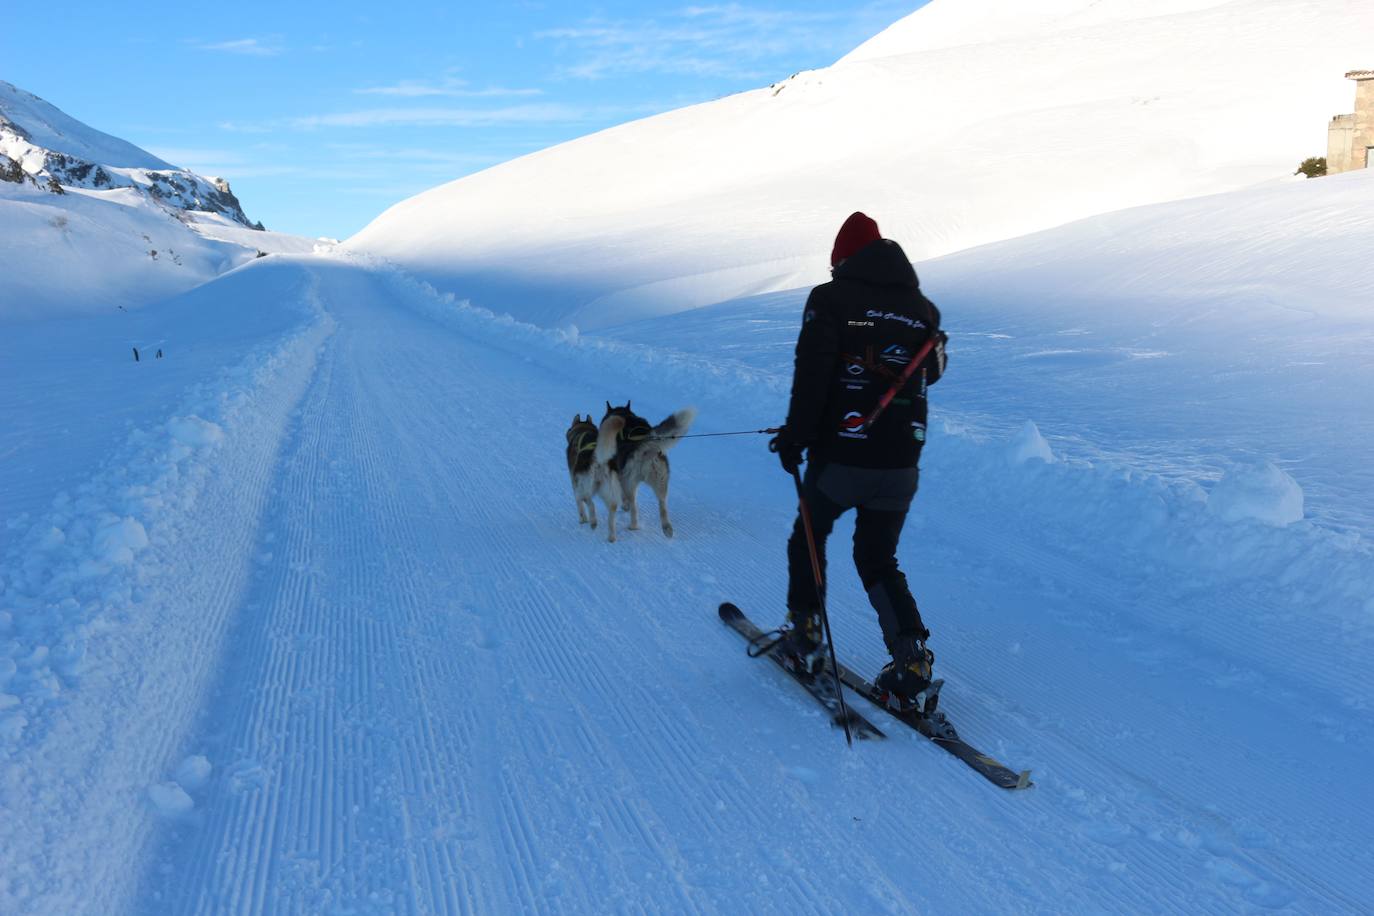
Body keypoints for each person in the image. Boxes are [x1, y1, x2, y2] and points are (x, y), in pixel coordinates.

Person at [769, 211, 947, 710]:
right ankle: (911, 660)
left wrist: (794, 438)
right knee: (877, 556)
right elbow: (931, 373)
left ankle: (804, 637)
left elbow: (812, 374)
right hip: (902, 463)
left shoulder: (830, 300)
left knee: (809, 532)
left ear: (842, 260)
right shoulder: (923, 309)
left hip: (843, 457)